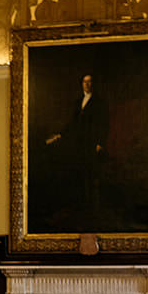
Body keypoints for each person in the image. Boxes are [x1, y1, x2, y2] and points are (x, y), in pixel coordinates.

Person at [44, 72, 107, 219]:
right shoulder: (78, 101)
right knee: (79, 174)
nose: (87, 84)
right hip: (79, 144)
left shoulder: (99, 102)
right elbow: (72, 123)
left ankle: (93, 210)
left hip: (92, 144)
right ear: (81, 84)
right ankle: (81, 207)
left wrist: (100, 143)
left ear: (93, 84)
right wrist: (60, 134)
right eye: (85, 82)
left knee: (92, 175)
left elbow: (103, 124)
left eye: (90, 82)